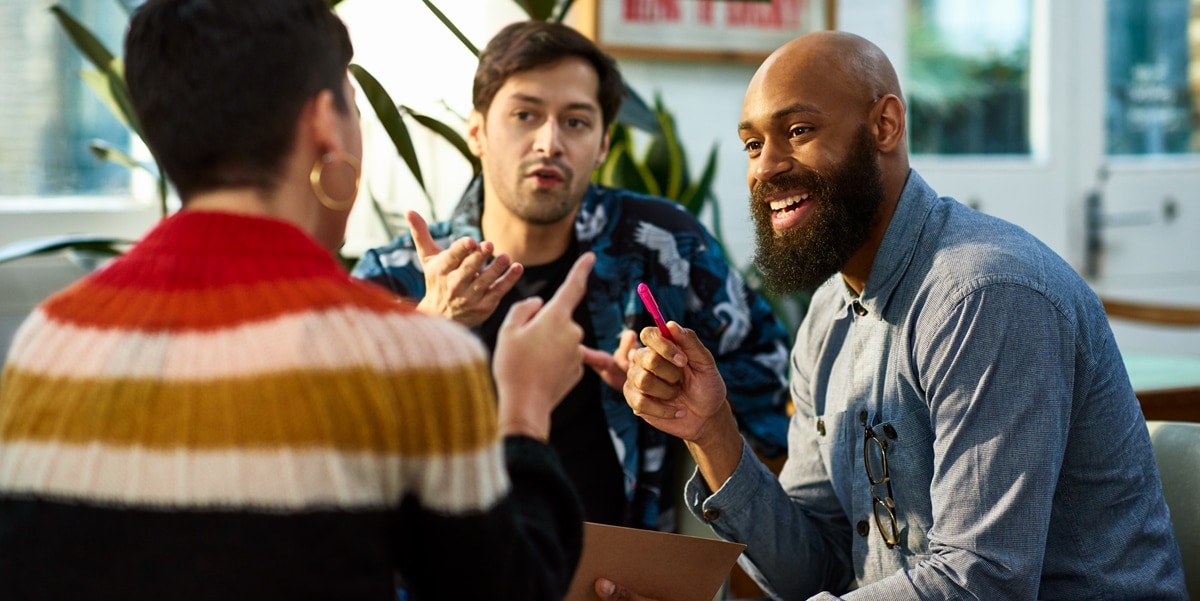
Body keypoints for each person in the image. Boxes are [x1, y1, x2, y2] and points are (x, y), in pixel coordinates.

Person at [0, 1, 589, 599]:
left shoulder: (47, 339)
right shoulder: (416, 356)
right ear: (324, 126)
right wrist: (523, 409)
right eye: (354, 111)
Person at [602, 30, 1188, 600]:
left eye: (798, 131)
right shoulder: (828, 315)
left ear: (885, 125)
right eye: (753, 145)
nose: (767, 167)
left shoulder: (984, 295)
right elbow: (817, 569)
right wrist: (712, 431)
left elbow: (980, 582)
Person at [352, 20, 791, 531]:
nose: (549, 142)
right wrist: (427, 325)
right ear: (477, 131)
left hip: (622, 575)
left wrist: (678, 386)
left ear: (604, 144)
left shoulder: (661, 246)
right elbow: (320, 447)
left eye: (576, 122)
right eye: (524, 115)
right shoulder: (398, 276)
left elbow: (772, 375)